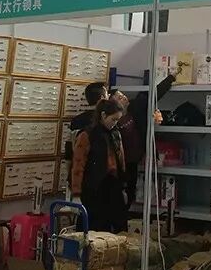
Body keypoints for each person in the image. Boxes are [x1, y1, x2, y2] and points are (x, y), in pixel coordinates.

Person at [113, 71, 176, 210]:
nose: (123, 97)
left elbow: (154, 95)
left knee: (130, 190)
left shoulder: (137, 106)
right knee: (117, 193)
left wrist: (170, 78)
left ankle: (124, 214)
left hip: (133, 160)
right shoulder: (111, 120)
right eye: (119, 97)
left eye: (122, 95)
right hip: (118, 162)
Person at [71, 98, 128, 232]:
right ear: (103, 115)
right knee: (93, 226)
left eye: (117, 120)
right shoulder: (87, 135)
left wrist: (123, 186)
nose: (115, 123)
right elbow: (78, 165)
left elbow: (121, 162)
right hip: (93, 187)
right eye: (113, 119)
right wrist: (76, 194)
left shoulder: (115, 134)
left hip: (113, 184)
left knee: (118, 225)